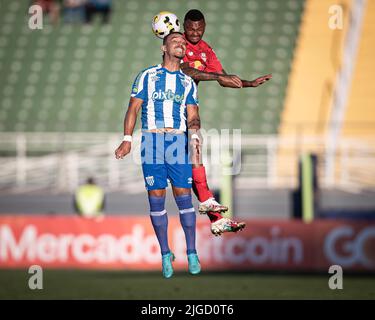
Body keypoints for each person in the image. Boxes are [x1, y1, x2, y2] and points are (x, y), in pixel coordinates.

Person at [115, 32, 201, 278]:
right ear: (164, 47)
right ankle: (165, 254)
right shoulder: (147, 76)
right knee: (156, 197)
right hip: (152, 140)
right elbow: (133, 108)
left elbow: (193, 115)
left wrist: (194, 138)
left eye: (184, 43)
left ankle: (192, 252)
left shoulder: (187, 83)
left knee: (184, 197)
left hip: (177, 140)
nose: (181, 45)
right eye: (176, 42)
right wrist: (127, 139)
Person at [179, 9, 272, 235]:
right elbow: (188, 71)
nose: (194, 32)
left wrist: (249, 83)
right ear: (183, 27)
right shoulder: (177, 43)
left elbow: (224, 77)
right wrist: (218, 77)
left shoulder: (205, 50)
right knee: (185, 167)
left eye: (199, 29)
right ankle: (210, 212)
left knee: (194, 156)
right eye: (190, 28)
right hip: (168, 110)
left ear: (205, 27)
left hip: (188, 109)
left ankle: (215, 217)